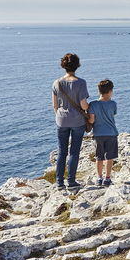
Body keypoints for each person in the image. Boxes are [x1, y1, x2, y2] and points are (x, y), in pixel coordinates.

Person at [51, 53, 89, 191]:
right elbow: (84, 105)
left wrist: (61, 116)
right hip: (77, 121)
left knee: (62, 151)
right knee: (74, 151)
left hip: (61, 120)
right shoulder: (81, 83)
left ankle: (59, 182)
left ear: (63, 66)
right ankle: (71, 181)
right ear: (77, 65)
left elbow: (55, 106)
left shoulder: (57, 83)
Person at [88, 79, 118, 187]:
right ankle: (107, 179)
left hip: (98, 134)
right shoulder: (113, 104)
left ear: (99, 90)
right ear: (110, 91)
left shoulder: (93, 104)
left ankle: (99, 178)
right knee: (109, 157)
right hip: (111, 133)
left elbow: (91, 120)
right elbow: (113, 116)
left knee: (99, 157)